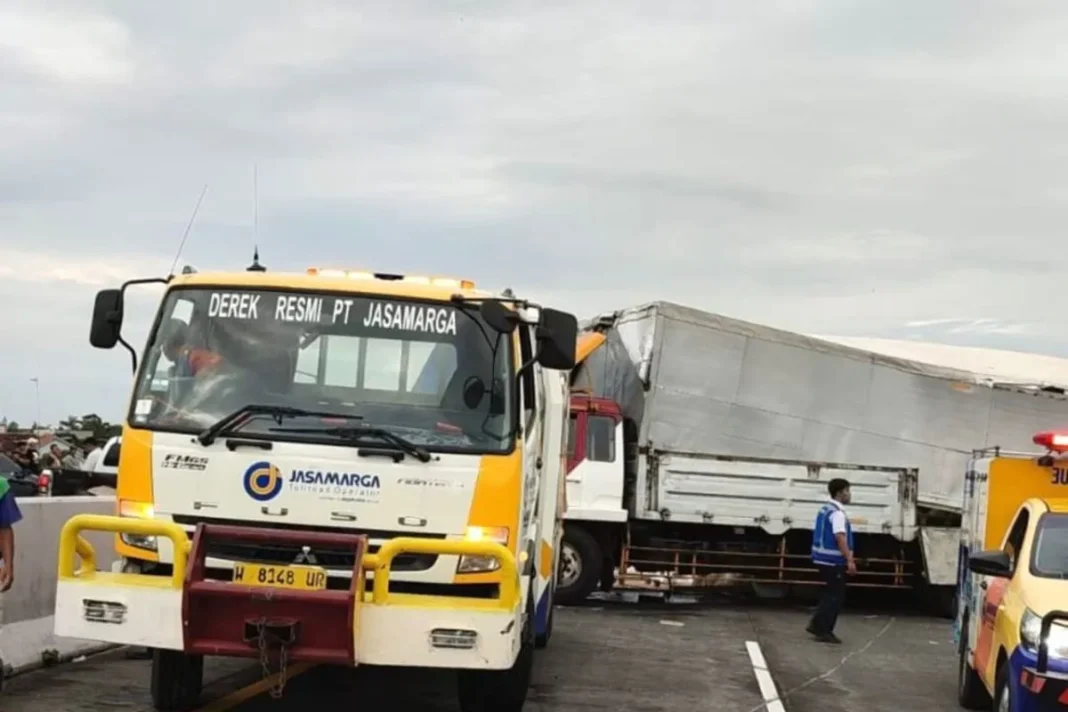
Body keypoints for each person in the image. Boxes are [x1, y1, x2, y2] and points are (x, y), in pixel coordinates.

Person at [806, 477, 855, 644]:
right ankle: (824, 629)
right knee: (835, 596)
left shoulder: (825, 509)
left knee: (829, 594)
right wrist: (849, 559)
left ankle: (816, 624)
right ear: (840, 493)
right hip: (833, 560)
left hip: (821, 558)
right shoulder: (837, 513)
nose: (850, 495)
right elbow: (840, 537)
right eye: (848, 491)